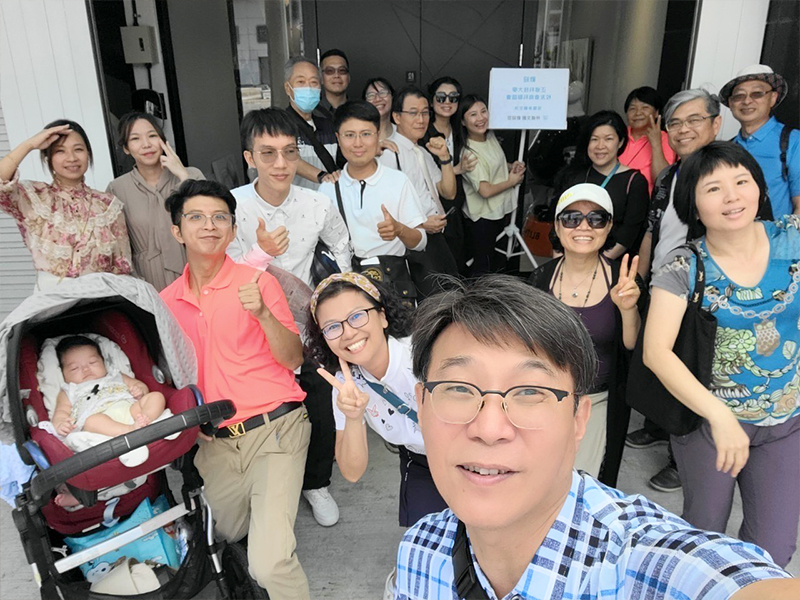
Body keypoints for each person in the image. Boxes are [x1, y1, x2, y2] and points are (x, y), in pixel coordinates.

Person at [395, 275, 798, 600]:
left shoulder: (645, 565)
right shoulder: (420, 551)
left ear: (578, 419)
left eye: (530, 392)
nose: (488, 428)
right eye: (459, 388)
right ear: (422, 405)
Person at [644, 141, 800, 568]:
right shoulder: (684, 265)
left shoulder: (793, 241)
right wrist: (719, 416)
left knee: (774, 547)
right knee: (705, 535)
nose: (732, 196)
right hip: (707, 425)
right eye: (713, 188)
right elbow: (656, 352)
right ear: (692, 204)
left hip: (785, 422)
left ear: (759, 188)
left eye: (741, 181)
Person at [160, 179, 310, 599]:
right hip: (216, 442)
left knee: (270, 561)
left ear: (231, 229)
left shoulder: (258, 283)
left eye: (219, 218)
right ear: (177, 231)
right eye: (196, 217)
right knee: (217, 534)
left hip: (275, 428)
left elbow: (293, 358)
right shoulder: (165, 302)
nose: (209, 225)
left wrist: (263, 314)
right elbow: (171, 377)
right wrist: (190, 424)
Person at [227, 107, 349, 527]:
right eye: (268, 153)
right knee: (260, 407)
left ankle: (316, 482)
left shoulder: (317, 203)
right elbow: (223, 270)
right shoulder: (233, 206)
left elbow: (342, 247)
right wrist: (259, 254)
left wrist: (333, 301)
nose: (281, 163)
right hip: (251, 324)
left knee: (319, 403)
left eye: (289, 152)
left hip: (306, 323)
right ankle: (261, 482)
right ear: (249, 157)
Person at [631, 89, 725, 493]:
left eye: (693, 120)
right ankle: (658, 426)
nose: (683, 129)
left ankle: (679, 457)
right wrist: (641, 278)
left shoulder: (724, 173)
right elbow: (653, 228)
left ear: (715, 124)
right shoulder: (670, 175)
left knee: (689, 366)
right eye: (675, 123)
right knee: (657, 362)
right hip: (662, 284)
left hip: (702, 292)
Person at [306, 272, 446, 528]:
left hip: (469, 450)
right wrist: (353, 417)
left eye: (357, 316)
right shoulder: (345, 385)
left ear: (382, 315)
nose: (348, 333)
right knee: (427, 541)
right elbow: (352, 472)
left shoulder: (425, 353)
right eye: (333, 327)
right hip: (421, 463)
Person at [529, 183, 642, 485]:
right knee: (538, 483)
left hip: (598, 403)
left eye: (596, 218)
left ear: (609, 227)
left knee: (584, 488)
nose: (583, 226)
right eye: (571, 218)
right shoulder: (539, 280)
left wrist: (628, 309)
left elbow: (632, 347)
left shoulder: (625, 280)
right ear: (557, 226)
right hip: (544, 402)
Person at [0, 120, 132, 289]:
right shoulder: (33, 198)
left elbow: (122, 267)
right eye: (60, 151)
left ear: (88, 154)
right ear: (48, 158)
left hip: (100, 299)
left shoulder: (108, 205)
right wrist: (30, 144)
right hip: (52, 300)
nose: (72, 158)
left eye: (78, 149)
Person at [319, 101, 427, 302]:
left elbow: (420, 242)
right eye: (349, 135)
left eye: (366, 134)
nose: (358, 143)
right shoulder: (328, 188)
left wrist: (399, 230)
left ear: (378, 136)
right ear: (338, 139)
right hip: (347, 291)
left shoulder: (398, 181)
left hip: (394, 287)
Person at [107, 112, 204, 291]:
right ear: (126, 148)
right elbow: (118, 248)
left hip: (197, 271)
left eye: (152, 136)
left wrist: (183, 177)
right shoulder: (117, 189)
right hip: (148, 281)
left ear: (163, 140)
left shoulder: (193, 175)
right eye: (135, 139)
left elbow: (205, 220)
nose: (146, 144)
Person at [378, 85, 459, 295]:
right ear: (397, 117)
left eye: (425, 113)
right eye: (413, 113)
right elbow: (384, 207)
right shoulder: (389, 153)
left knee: (451, 292)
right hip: (413, 240)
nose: (421, 119)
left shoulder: (421, 151)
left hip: (436, 235)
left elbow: (448, 192)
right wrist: (422, 223)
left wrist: (445, 158)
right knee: (433, 300)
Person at [554, 110, 650, 258]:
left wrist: (595, 265)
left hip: (610, 263)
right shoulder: (573, 176)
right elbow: (558, 224)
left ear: (621, 142)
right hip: (571, 260)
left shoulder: (634, 181)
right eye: (594, 139)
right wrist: (561, 263)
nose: (600, 146)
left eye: (608, 139)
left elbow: (628, 234)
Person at [457, 95, 525, 275]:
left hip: (497, 211)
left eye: (483, 111)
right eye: (473, 115)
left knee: (494, 261)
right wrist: (511, 182)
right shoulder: (469, 153)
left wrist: (510, 166)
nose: (481, 118)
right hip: (483, 217)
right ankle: (477, 293)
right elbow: (484, 190)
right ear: (463, 122)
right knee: (483, 266)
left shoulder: (489, 136)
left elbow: (495, 163)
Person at [720, 64, 799, 217]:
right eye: (739, 96)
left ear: (773, 98)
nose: (747, 101)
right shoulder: (728, 148)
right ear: (730, 103)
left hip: (774, 232)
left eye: (757, 94)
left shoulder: (793, 141)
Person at [52, 335, 167, 437]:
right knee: (91, 422)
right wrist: (61, 423)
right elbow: (61, 412)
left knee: (156, 396)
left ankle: (145, 419)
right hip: (100, 420)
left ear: (103, 362)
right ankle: (129, 430)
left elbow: (138, 384)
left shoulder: (114, 375)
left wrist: (139, 390)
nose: (86, 369)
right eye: (74, 368)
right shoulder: (70, 391)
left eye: (92, 362)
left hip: (130, 410)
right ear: (63, 373)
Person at [423, 76, 477, 274]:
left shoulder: (460, 129)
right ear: (431, 101)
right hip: (433, 207)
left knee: (458, 262)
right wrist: (455, 170)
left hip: (460, 206)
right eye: (441, 97)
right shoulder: (423, 131)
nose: (447, 102)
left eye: (453, 97)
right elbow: (422, 173)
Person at [282, 56, 339, 190]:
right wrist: (323, 177)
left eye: (314, 82)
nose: (308, 87)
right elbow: (286, 157)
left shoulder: (330, 126)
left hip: (331, 201)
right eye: (301, 82)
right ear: (288, 88)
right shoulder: (279, 126)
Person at [619, 86, 677, 193]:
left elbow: (661, 180)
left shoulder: (666, 139)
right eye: (632, 108)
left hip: (645, 201)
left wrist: (656, 143)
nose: (638, 113)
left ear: (656, 113)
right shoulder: (618, 135)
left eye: (645, 108)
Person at [318, 49, 350, 118]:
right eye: (330, 71)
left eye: (342, 70)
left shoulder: (359, 111)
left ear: (349, 77)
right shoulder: (312, 113)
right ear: (321, 78)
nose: (336, 75)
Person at [363, 77, 395, 142]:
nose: (377, 99)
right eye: (371, 95)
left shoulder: (403, 133)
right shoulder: (360, 135)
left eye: (383, 93)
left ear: (392, 97)